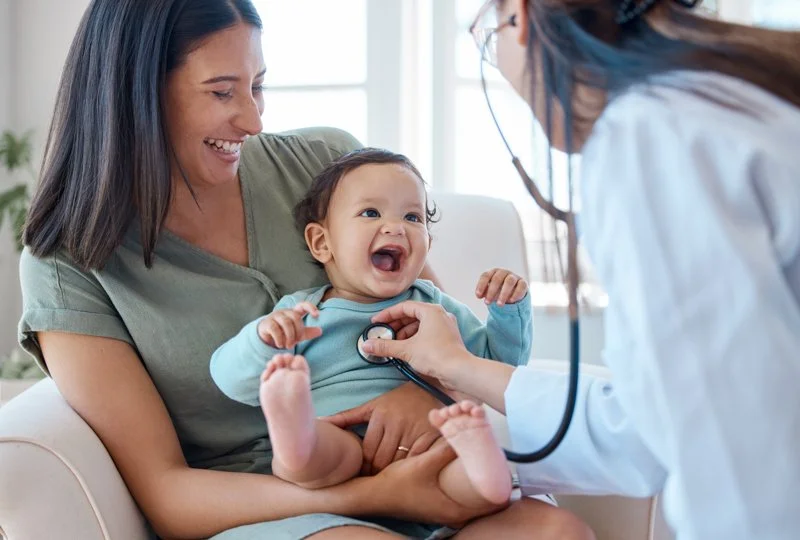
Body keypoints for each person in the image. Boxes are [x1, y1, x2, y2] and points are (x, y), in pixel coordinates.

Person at [16, 1, 594, 538]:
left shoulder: (325, 165)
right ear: (136, 95)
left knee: (556, 532)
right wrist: (372, 495)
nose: (252, 119)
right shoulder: (67, 263)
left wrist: (419, 397)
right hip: (269, 506)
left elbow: (429, 326)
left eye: (258, 86)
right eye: (222, 93)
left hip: (418, 463)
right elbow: (167, 494)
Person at [357, 1, 800, 539]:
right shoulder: (737, 92)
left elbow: (733, 462)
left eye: (488, 35)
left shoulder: (652, 135)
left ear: (520, 17)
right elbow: (656, 425)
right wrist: (456, 368)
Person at [209, 147, 530, 508]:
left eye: (413, 217)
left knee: (465, 480)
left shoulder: (434, 307)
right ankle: (293, 427)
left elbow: (496, 367)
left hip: (430, 441)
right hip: (338, 434)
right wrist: (263, 340)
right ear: (322, 243)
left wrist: (507, 311)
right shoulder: (303, 313)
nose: (395, 226)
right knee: (310, 458)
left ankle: (484, 464)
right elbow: (229, 379)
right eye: (371, 212)